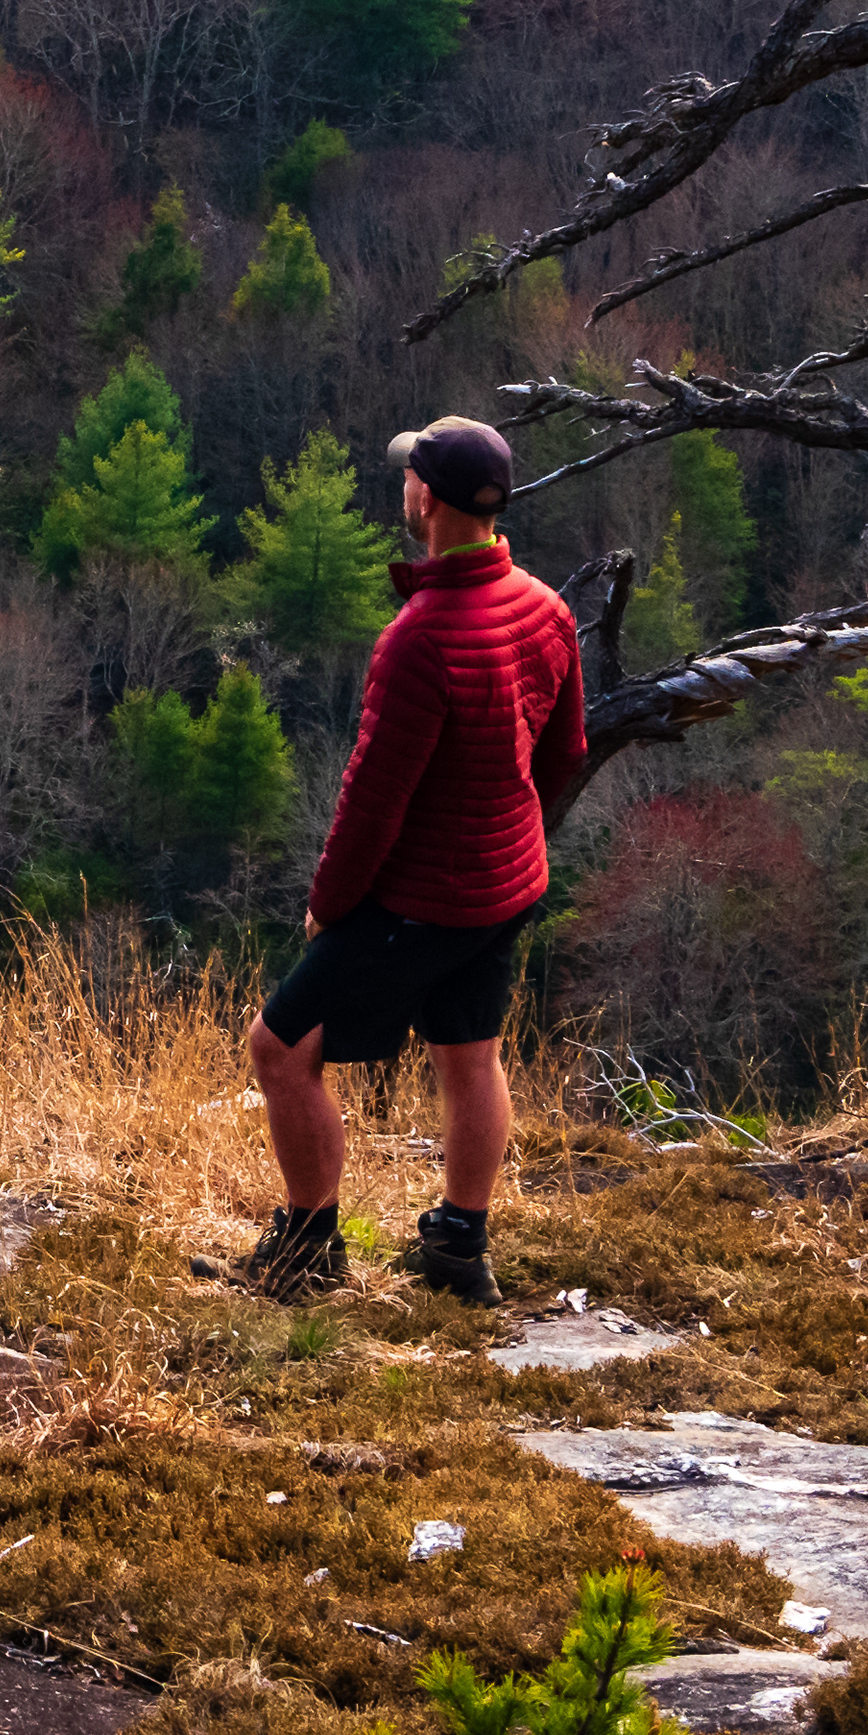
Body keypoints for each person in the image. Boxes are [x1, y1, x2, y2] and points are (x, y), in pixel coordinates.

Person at [220, 413, 584, 1305]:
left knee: (278, 1048)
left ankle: (309, 1249)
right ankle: (459, 1248)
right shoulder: (546, 608)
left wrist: (330, 906)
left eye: (408, 476)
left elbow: (371, 803)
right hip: (507, 884)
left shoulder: (418, 639)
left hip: (423, 898)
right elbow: (565, 755)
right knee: (470, 1054)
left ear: (426, 498)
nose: (403, 486)